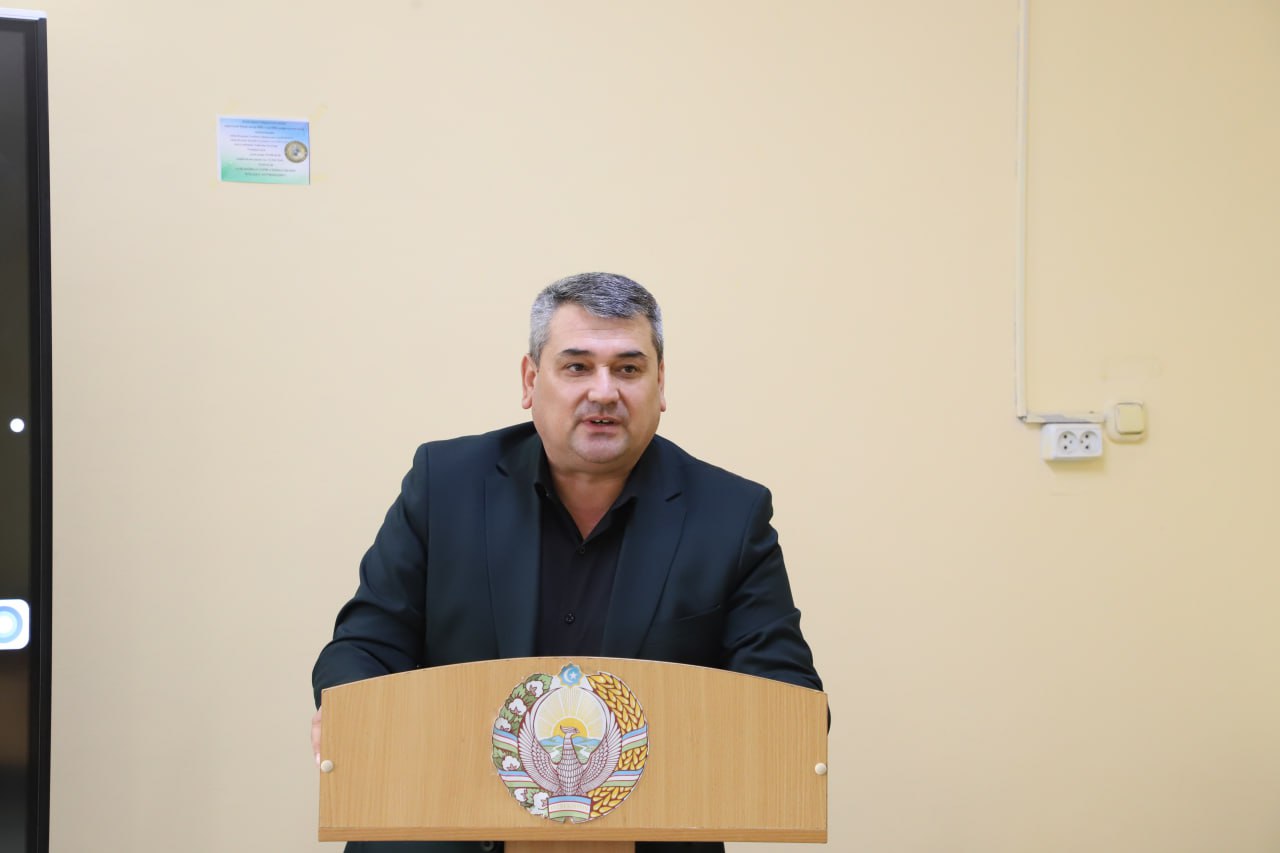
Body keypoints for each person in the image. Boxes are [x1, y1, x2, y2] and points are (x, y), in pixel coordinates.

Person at [311, 272, 823, 853]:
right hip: (438, 830)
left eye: (628, 369)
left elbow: (786, 698)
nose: (604, 392)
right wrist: (352, 714)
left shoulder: (730, 514)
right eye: (577, 366)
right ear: (531, 381)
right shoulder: (444, 483)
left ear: (660, 385)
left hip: (650, 836)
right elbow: (367, 644)